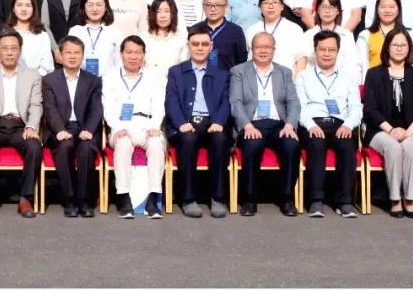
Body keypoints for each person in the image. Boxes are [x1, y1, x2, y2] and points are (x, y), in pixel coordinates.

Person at [230, 32, 301, 217]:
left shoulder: (284, 72)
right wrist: (247, 125)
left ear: (274, 50)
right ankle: (249, 199)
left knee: (291, 145)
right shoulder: (238, 71)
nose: (263, 51)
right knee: (252, 145)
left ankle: (287, 198)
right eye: (259, 47)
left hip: (279, 125)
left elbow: (293, 102)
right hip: (251, 124)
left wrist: (289, 125)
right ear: (251, 49)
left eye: (267, 47)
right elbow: (235, 103)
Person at [0, 30, 43, 218]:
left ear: (20, 51)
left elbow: (36, 105)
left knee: (34, 146)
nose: (10, 52)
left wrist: (31, 126)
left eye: (14, 48)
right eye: (5, 48)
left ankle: (26, 198)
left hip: (20, 125)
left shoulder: (33, 76)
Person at [295, 30, 363, 218]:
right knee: (316, 145)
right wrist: (311, 126)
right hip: (313, 123)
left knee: (347, 146)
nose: (326, 53)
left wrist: (348, 125)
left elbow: (356, 107)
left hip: (341, 124)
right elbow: (299, 107)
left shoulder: (348, 77)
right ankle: (316, 200)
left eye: (331, 50)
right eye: (322, 49)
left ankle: (345, 202)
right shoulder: (303, 77)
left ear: (337, 52)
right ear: (315, 51)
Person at [166, 26, 231, 218]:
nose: (200, 48)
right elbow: (171, 101)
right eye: (195, 44)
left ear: (211, 46)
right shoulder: (176, 72)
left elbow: (226, 102)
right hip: (186, 123)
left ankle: (218, 198)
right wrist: (181, 123)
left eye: (204, 44)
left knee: (220, 139)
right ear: (188, 46)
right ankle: (188, 199)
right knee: (188, 139)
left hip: (212, 123)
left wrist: (219, 121)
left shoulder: (221, 74)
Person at [362, 29, 413, 218]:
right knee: (393, 147)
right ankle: (395, 199)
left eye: (403, 45)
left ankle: (410, 199)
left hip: (411, 130)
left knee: (411, 147)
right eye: (395, 45)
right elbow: (370, 110)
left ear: (409, 49)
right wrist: (391, 130)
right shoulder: (374, 74)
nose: (399, 48)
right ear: (387, 47)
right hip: (380, 130)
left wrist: (408, 132)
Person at [103, 35, 166, 219]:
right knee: (123, 144)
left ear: (143, 55)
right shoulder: (110, 76)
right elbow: (108, 107)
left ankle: (153, 197)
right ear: (121, 54)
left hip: (147, 124)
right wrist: (117, 127)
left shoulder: (154, 76)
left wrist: (154, 126)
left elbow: (159, 104)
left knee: (156, 144)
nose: (133, 56)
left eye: (138, 52)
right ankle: (123, 197)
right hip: (121, 125)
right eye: (129, 52)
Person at [42, 36, 103, 217]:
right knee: (64, 147)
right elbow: (50, 108)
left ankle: (84, 200)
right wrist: (60, 130)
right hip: (60, 128)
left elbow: (96, 109)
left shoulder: (93, 81)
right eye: (68, 52)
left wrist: (89, 130)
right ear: (60, 55)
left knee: (86, 149)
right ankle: (69, 199)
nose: (72, 56)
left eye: (77, 52)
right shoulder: (49, 80)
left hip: (84, 128)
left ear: (83, 55)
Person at [243, 0, 306, 73]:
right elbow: (248, 58)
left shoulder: (294, 29)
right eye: (266, 3)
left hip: (286, 79)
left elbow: (301, 59)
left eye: (274, 2)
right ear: (260, 7)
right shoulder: (252, 29)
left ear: (282, 6)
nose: (270, 6)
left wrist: (296, 80)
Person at [67, 0, 122, 78]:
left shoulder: (115, 32)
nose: (94, 9)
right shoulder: (75, 31)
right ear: (83, 8)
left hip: (108, 81)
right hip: (81, 81)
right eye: (90, 5)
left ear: (106, 8)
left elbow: (119, 63)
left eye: (99, 5)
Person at [189, 0, 247, 72]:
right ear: (203, 6)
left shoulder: (236, 31)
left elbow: (242, 61)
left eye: (218, 5)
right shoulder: (195, 29)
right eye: (209, 5)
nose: (213, 9)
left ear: (226, 6)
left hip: (227, 79)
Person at [299, 0, 357, 73]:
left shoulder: (347, 35)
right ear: (317, 10)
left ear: (338, 11)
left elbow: (352, 64)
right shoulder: (308, 35)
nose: (327, 10)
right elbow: (303, 63)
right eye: (323, 7)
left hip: (341, 78)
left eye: (331, 7)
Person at [355, 0, 404, 80]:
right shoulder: (365, 36)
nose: (387, 10)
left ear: (398, 11)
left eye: (392, 7)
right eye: (383, 7)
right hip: (373, 84)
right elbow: (358, 67)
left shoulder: (406, 35)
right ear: (377, 10)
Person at [6, 0, 54, 75]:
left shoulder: (42, 36)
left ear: (33, 9)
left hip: (37, 80)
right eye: (19, 5)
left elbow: (47, 66)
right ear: (13, 9)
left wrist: (31, 78)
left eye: (28, 5)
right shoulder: (5, 34)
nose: (24, 9)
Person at [139, 0, 188, 76]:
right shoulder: (143, 38)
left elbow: (185, 66)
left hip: (173, 82)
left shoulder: (182, 38)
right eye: (158, 11)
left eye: (167, 11)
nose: (162, 15)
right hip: (149, 82)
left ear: (173, 14)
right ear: (153, 14)